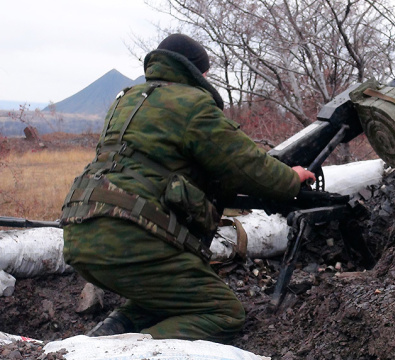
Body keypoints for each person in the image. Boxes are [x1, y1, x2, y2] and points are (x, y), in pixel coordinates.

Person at [60, 33, 315, 342]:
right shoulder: (193, 104)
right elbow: (246, 165)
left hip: (79, 232)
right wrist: (291, 178)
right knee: (224, 313)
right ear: (198, 72)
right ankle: (129, 352)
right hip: (129, 238)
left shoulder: (126, 100)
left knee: (162, 302)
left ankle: (97, 343)